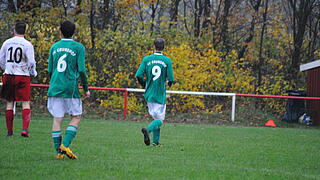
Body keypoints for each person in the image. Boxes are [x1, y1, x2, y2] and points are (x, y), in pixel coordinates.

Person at [47, 20, 90, 159]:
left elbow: (50, 70)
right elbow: (82, 70)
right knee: (76, 117)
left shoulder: (54, 47)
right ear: (74, 32)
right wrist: (86, 88)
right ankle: (64, 145)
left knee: (57, 119)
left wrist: (53, 83)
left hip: (55, 86)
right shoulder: (78, 47)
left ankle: (59, 153)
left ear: (60, 31)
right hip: (70, 87)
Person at [0, 21, 37, 137]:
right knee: (26, 102)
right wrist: (32, 72)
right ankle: (25, 129)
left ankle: (10, 132)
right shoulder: (27, 44)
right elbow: (31, 61)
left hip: (9, 74)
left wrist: (6, 68)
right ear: (25, 32)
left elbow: (1, 59)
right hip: (23, 75)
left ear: (14, 30)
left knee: (10, 102)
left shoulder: (7, 43)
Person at [135, 38, 174, 146]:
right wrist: (169, 84)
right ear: (164, 47)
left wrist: (144, 85)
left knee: (155, 118)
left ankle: (155, 142)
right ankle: (148, 129)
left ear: (154, 47)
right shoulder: (167, 60)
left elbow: (138, 75)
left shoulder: (147, 59)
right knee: (160, 120)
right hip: (159, 93)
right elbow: (171, 79)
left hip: (149, 93)